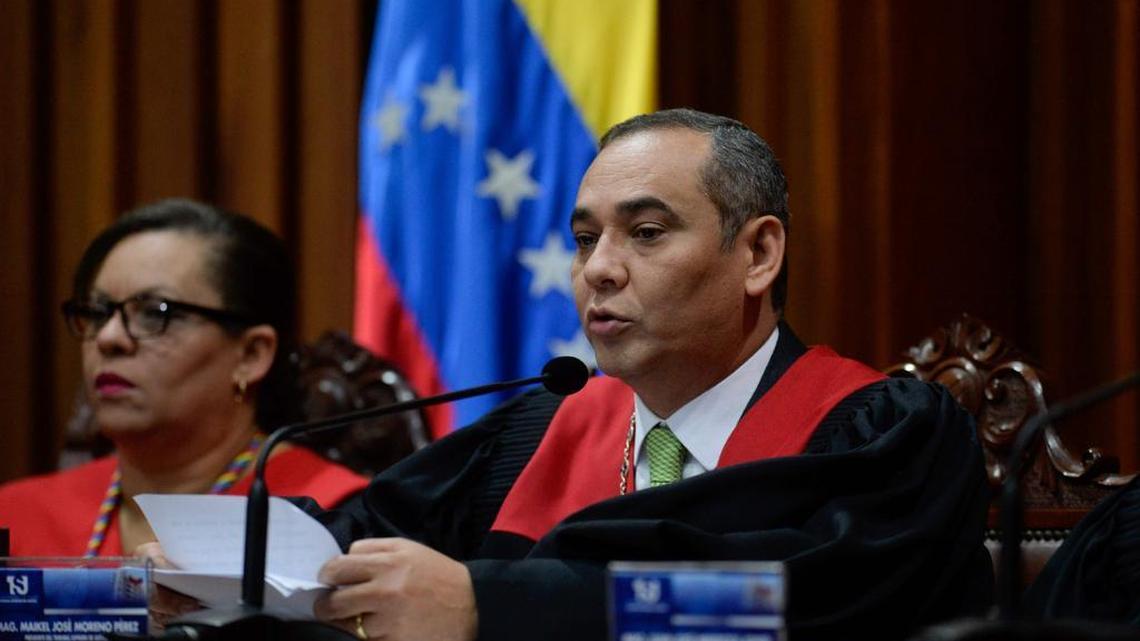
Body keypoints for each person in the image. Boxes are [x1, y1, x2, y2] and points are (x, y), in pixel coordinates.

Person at [0, 198, 370, 557]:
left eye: (155, 312)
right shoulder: (18, 518)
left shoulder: (335, 522)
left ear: (251, 355)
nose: (109, 337)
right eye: (98, 312)